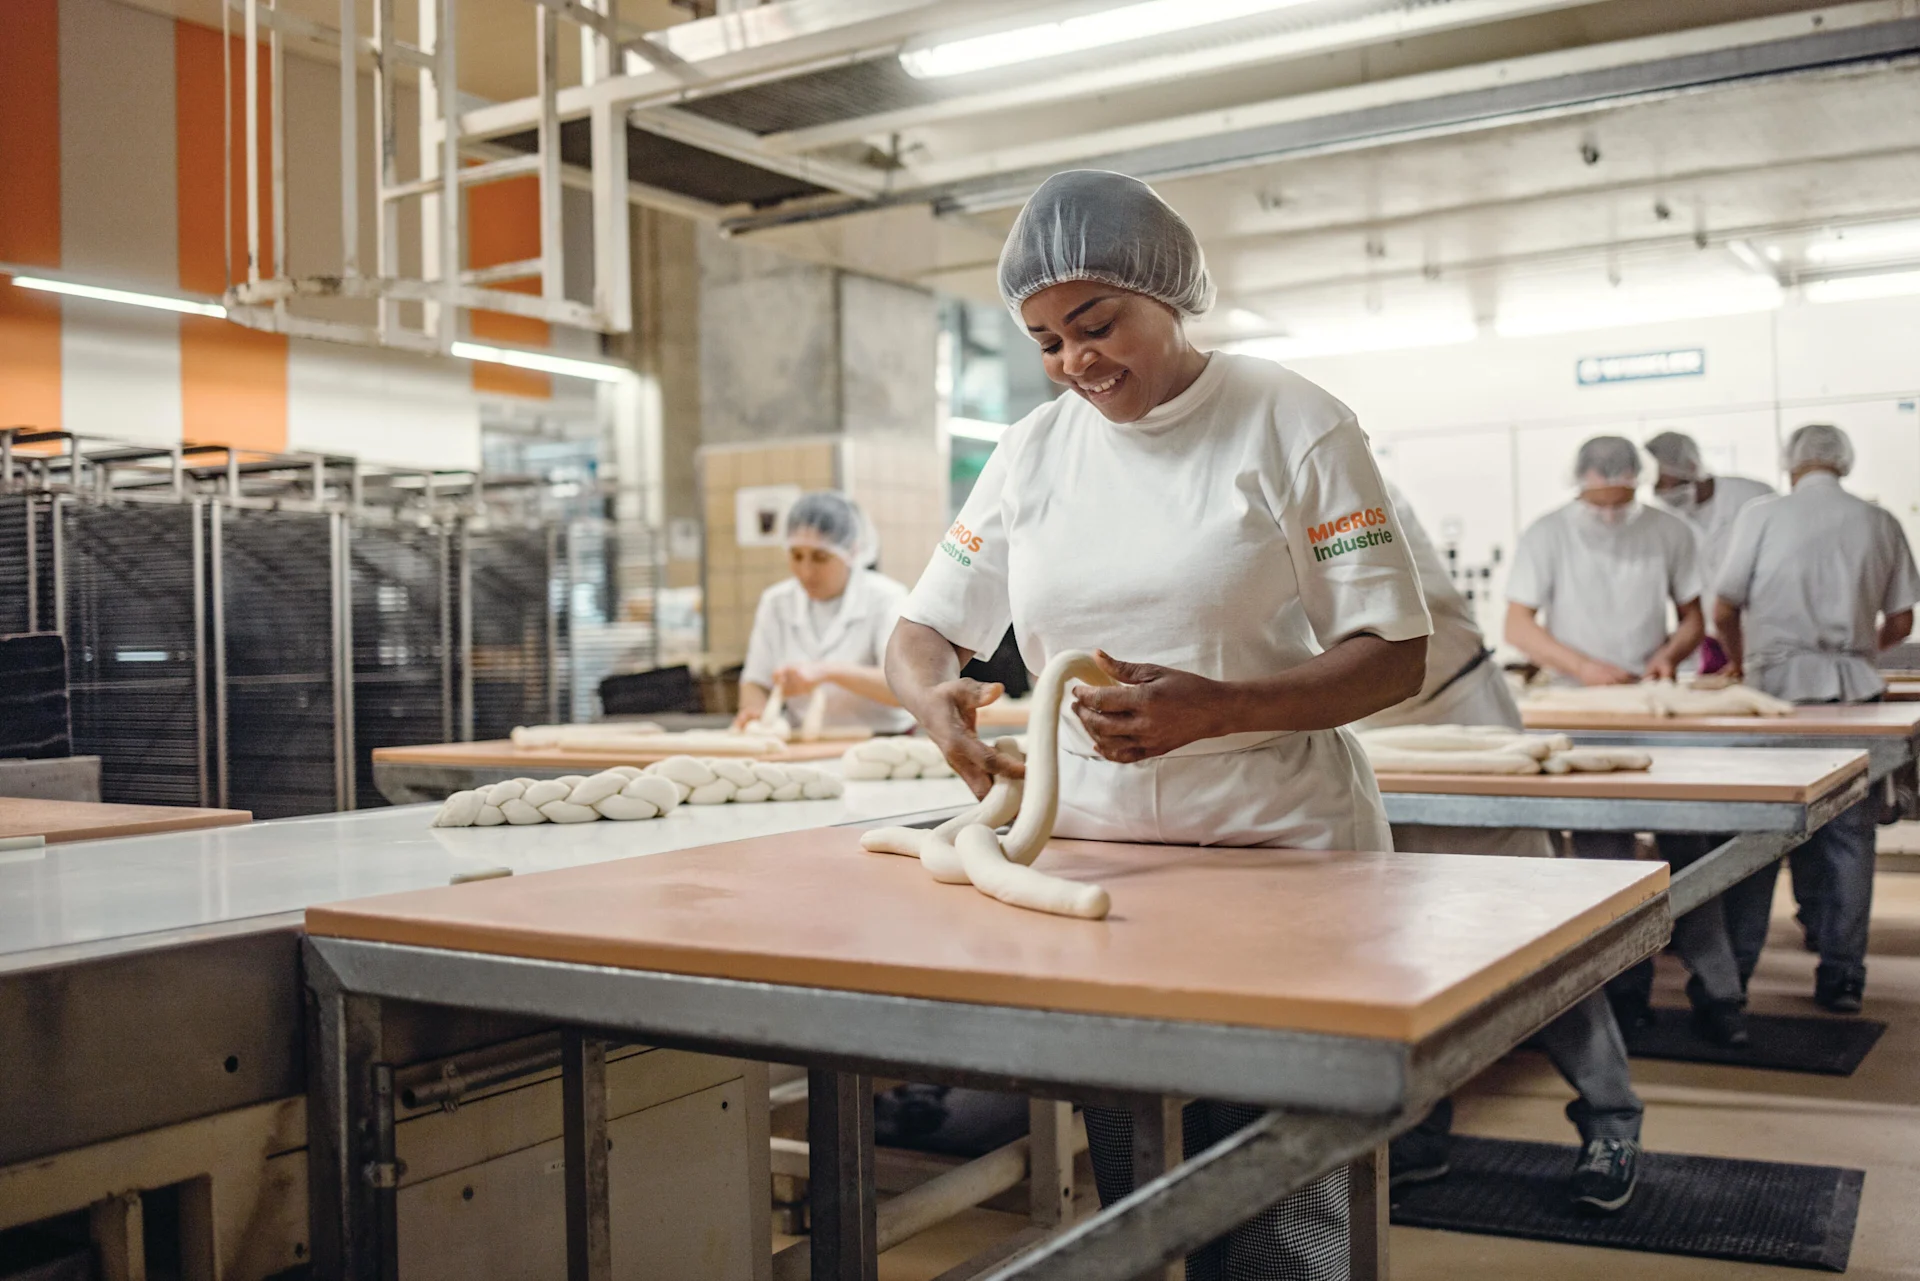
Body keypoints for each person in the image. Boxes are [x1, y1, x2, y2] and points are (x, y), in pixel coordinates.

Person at [886, 169, 1434, 1280]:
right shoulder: (1035, 449)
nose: (1076, 362)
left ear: (1169, 297)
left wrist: (1217, 709)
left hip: (1280, 851)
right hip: (1101, 866)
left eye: (1098, 325)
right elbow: (922, 630)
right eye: (1046, 341)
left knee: (1273, 1203)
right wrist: (928, 695)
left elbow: (1395, 654)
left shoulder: (1294, 422)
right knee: (1143, 1179)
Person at [1365, 482, 1645, 1212]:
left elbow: (1377, 623)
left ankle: (1612, 1118)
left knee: (1533, 934)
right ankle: (1420, 1131)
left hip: (1457, 724)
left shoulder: (1354, 489)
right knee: (1405, 948)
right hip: (1367, 742)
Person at [1504, 437, 1752, 1047]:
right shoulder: (1547, 534)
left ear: (1639, 485)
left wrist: (1669, 656)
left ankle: (1720, 992)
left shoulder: (1669, 532)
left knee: (1688, 845)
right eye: (1601, 503)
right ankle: (1621, 991)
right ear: (1580, 485)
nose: (1612, 514)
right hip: (1580, 706)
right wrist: (1583, 666)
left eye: (1622, 501)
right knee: (1601, 855)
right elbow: (1518, 625)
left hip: (1652, 705)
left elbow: (1694, 616)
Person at [1714, 423, 1920, 1012]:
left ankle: (1735, 981)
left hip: (1774, 693)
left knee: (1758, 834)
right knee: (1849, 837)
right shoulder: (1879, 521)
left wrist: (1738, 660)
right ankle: (1843, 976)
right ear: (1845, 462)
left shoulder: (1760, 515)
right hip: (1854, 694)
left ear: (1792, 463)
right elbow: (1902, 621)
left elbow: (1724, 605)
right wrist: (1855, 655)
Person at [733, 491, 913, 734]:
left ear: (851, 552)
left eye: (820, 557)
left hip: (884, 740)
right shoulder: (776, 602)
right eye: (796, 556)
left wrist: (827, 672)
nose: (806, 572)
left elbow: (904, 688)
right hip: (805, 742)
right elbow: (756, 681)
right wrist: (756, 713)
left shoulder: (886, 599)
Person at [1644, 429, 1774, 666]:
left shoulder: (1753, 497)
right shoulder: (1664, 518)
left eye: (1665, 481)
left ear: (1691, 468)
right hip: (1711, 639)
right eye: (1654, 484)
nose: (1660, 490)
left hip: (1762, 633)